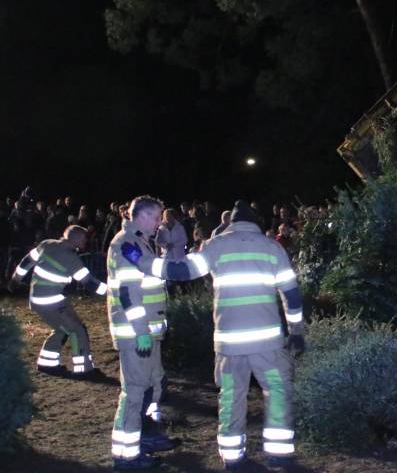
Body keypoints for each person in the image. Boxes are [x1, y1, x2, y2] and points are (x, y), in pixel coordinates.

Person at [149, 200, 304, 469]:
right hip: (266, 343)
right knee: (278, 390)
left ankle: (232, 456)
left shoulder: (215, 245)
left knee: (232, 395)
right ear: (256, 223)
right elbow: (291, 294)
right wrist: (296, 332)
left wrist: (143, 262)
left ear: (230, 223)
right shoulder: (271, 247)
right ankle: (278, 452)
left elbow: (181, 271)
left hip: (228, 343)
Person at [107, 195, 205, 469]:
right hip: (135, 333)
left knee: (153, 383)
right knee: (135, 391)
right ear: (143, 216)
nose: (160, 223)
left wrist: (193, 265)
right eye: (157, 217)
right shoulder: (126, 243)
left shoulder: (139, 242)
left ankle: (143, 437)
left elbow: (154, 270)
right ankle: (126, 456)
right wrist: (140, 332)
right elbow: (127, 292)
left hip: (147, 332)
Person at [8, 225, 107, 378]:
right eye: (84, 238)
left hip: (40, 298)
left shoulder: (46, 244)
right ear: (77, 238)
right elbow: (89, 283)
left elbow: (26, 262)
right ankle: (84, 370)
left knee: (63, 329)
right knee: (77, 330)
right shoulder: (71, 258)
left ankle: (47, 364)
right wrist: (113, 292)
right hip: (50, 301)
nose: (86, 241)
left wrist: (15, 280)